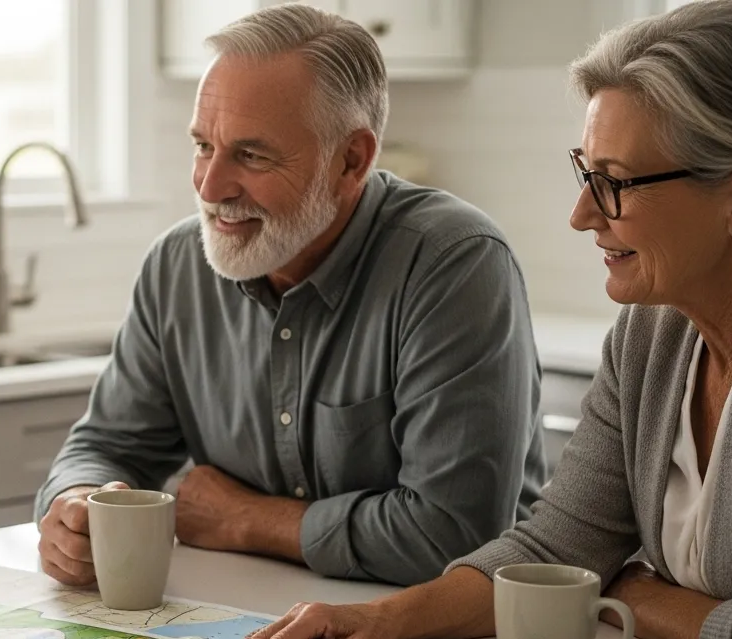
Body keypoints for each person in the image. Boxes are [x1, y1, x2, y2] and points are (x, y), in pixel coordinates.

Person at [210, 0, 732, 639]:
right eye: (585, 173)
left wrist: (630, 588)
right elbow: (554, 552)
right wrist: (382, 621)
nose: (583, 214)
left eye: (616, 182)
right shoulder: (651, 334)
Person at [35, 2, 545, 587]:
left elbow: (454, 535)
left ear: (351, 161)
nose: (209, 185)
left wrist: (248, 520)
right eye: (203, 145)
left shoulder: (454, 263)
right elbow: (107, 445)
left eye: (251, 155)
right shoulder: (176, 265)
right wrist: (75, 502)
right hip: (244, 624)